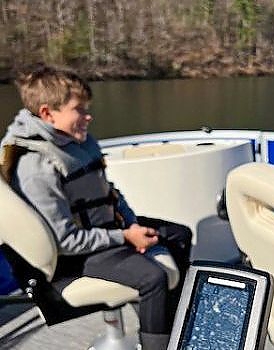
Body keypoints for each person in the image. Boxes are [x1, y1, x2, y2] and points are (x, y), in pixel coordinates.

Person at [0, 65, 192, 350]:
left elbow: (109, 191)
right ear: (46, 113)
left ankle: (171, 326)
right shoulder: (36, 167)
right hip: (73, 257)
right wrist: (125, 238)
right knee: (153, 277)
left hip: (105, 229)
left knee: (179, 234)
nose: (88, 116)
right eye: (78, 109)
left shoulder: (75, 143)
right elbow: (65, 241)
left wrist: (131, 224)